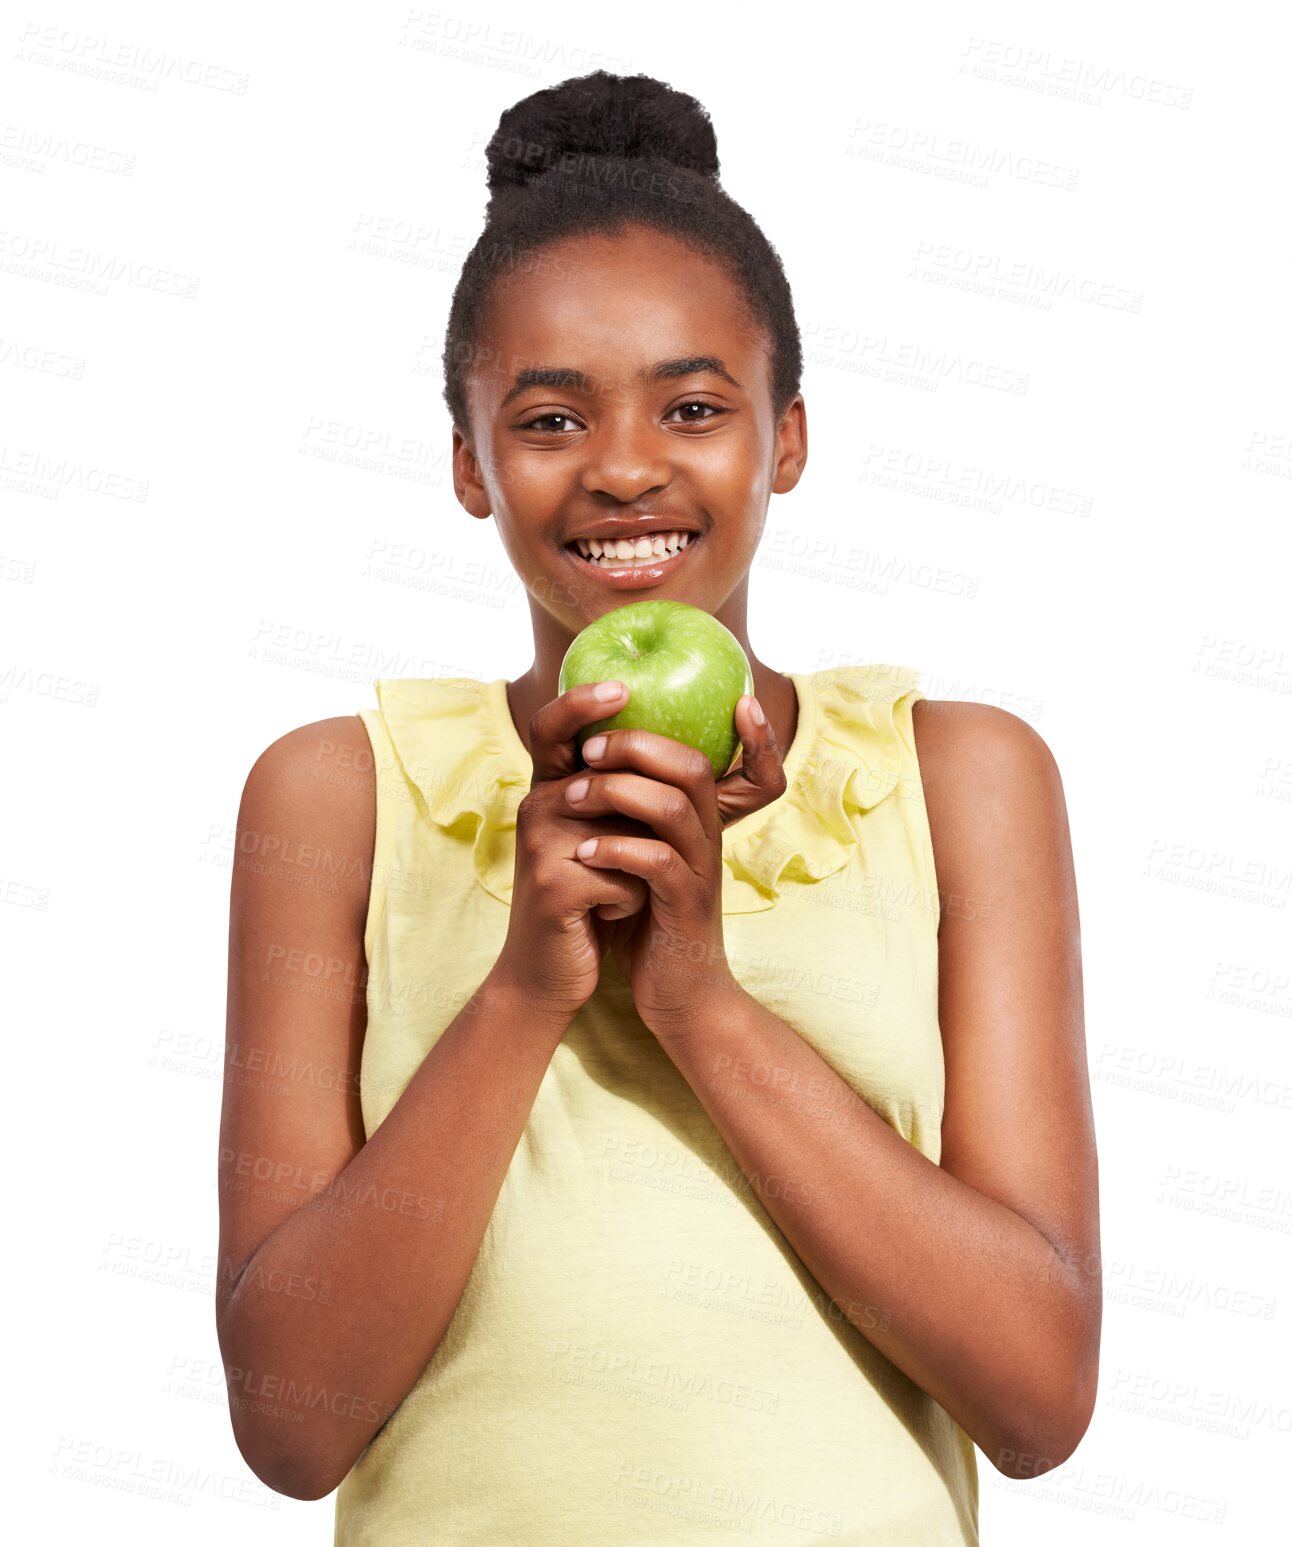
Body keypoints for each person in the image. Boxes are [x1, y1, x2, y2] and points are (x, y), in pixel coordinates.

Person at [216, 70, 1099, 1545]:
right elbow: (291, 1426)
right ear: (468, 465)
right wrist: (524, 986)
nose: (626, 466)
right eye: (550, 417)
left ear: (787, 438)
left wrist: (697, 995)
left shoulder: (959, 780)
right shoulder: (343, 794)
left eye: (693, 406)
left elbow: (1040, 1395)